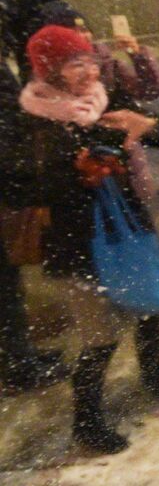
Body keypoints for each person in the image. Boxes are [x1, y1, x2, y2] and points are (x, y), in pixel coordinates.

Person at [11, 26, 159, 453]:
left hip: (130, 228)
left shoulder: (106, 100)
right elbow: (20, 186)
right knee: (99, 334)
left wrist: (147, 125)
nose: (89, 71)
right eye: (76, 64)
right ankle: (87, 420)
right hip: (78, 244)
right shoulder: (30, 119)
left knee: (151, 307)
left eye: (91, 60)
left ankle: (154, 372)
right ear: (50, 71)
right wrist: (75, 169)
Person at [1, 59, 68, 393]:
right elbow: (10, 134)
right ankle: (18, 366)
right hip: (8, 192)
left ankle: (20, 355)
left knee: (10, 285)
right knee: (5, 288)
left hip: (10, 190)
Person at [39, 2, 159, 103]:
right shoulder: (49, 72)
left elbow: (150, 92)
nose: (83, 36)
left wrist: (138, 56)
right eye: (72, 32)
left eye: (84, 30)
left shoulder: (106, 63)